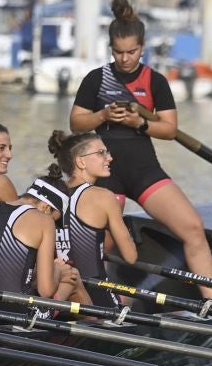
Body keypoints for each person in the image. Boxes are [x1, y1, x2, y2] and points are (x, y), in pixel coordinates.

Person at [68, 0, 212, 301]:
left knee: (192, 228)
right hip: (106, 173)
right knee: (103, 244)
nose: (125, 59)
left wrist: (140, 122)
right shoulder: (96, 79)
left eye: (132, 52)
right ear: (111, 48)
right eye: (118, 52)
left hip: (143, 169)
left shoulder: (155, 81)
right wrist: (102, 116)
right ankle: (96, 306)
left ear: (143, 47)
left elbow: (170, 129)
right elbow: (76, 123)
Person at [43, 130, 140, 307]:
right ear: (81, 161)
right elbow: (130, 256)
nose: (109, 158)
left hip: (55, 289)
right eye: (101, 153)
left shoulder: (48, 195)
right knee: (131, 301)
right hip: (93, 292)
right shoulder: (104, 197)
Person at [0, 184, 86, 302]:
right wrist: (57, 270)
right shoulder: (44, 221)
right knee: (73, 276)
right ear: (46, 207)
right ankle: (98, 320)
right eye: (55, 219)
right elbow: (46, 291)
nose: (53, 224)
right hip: (18, 311)